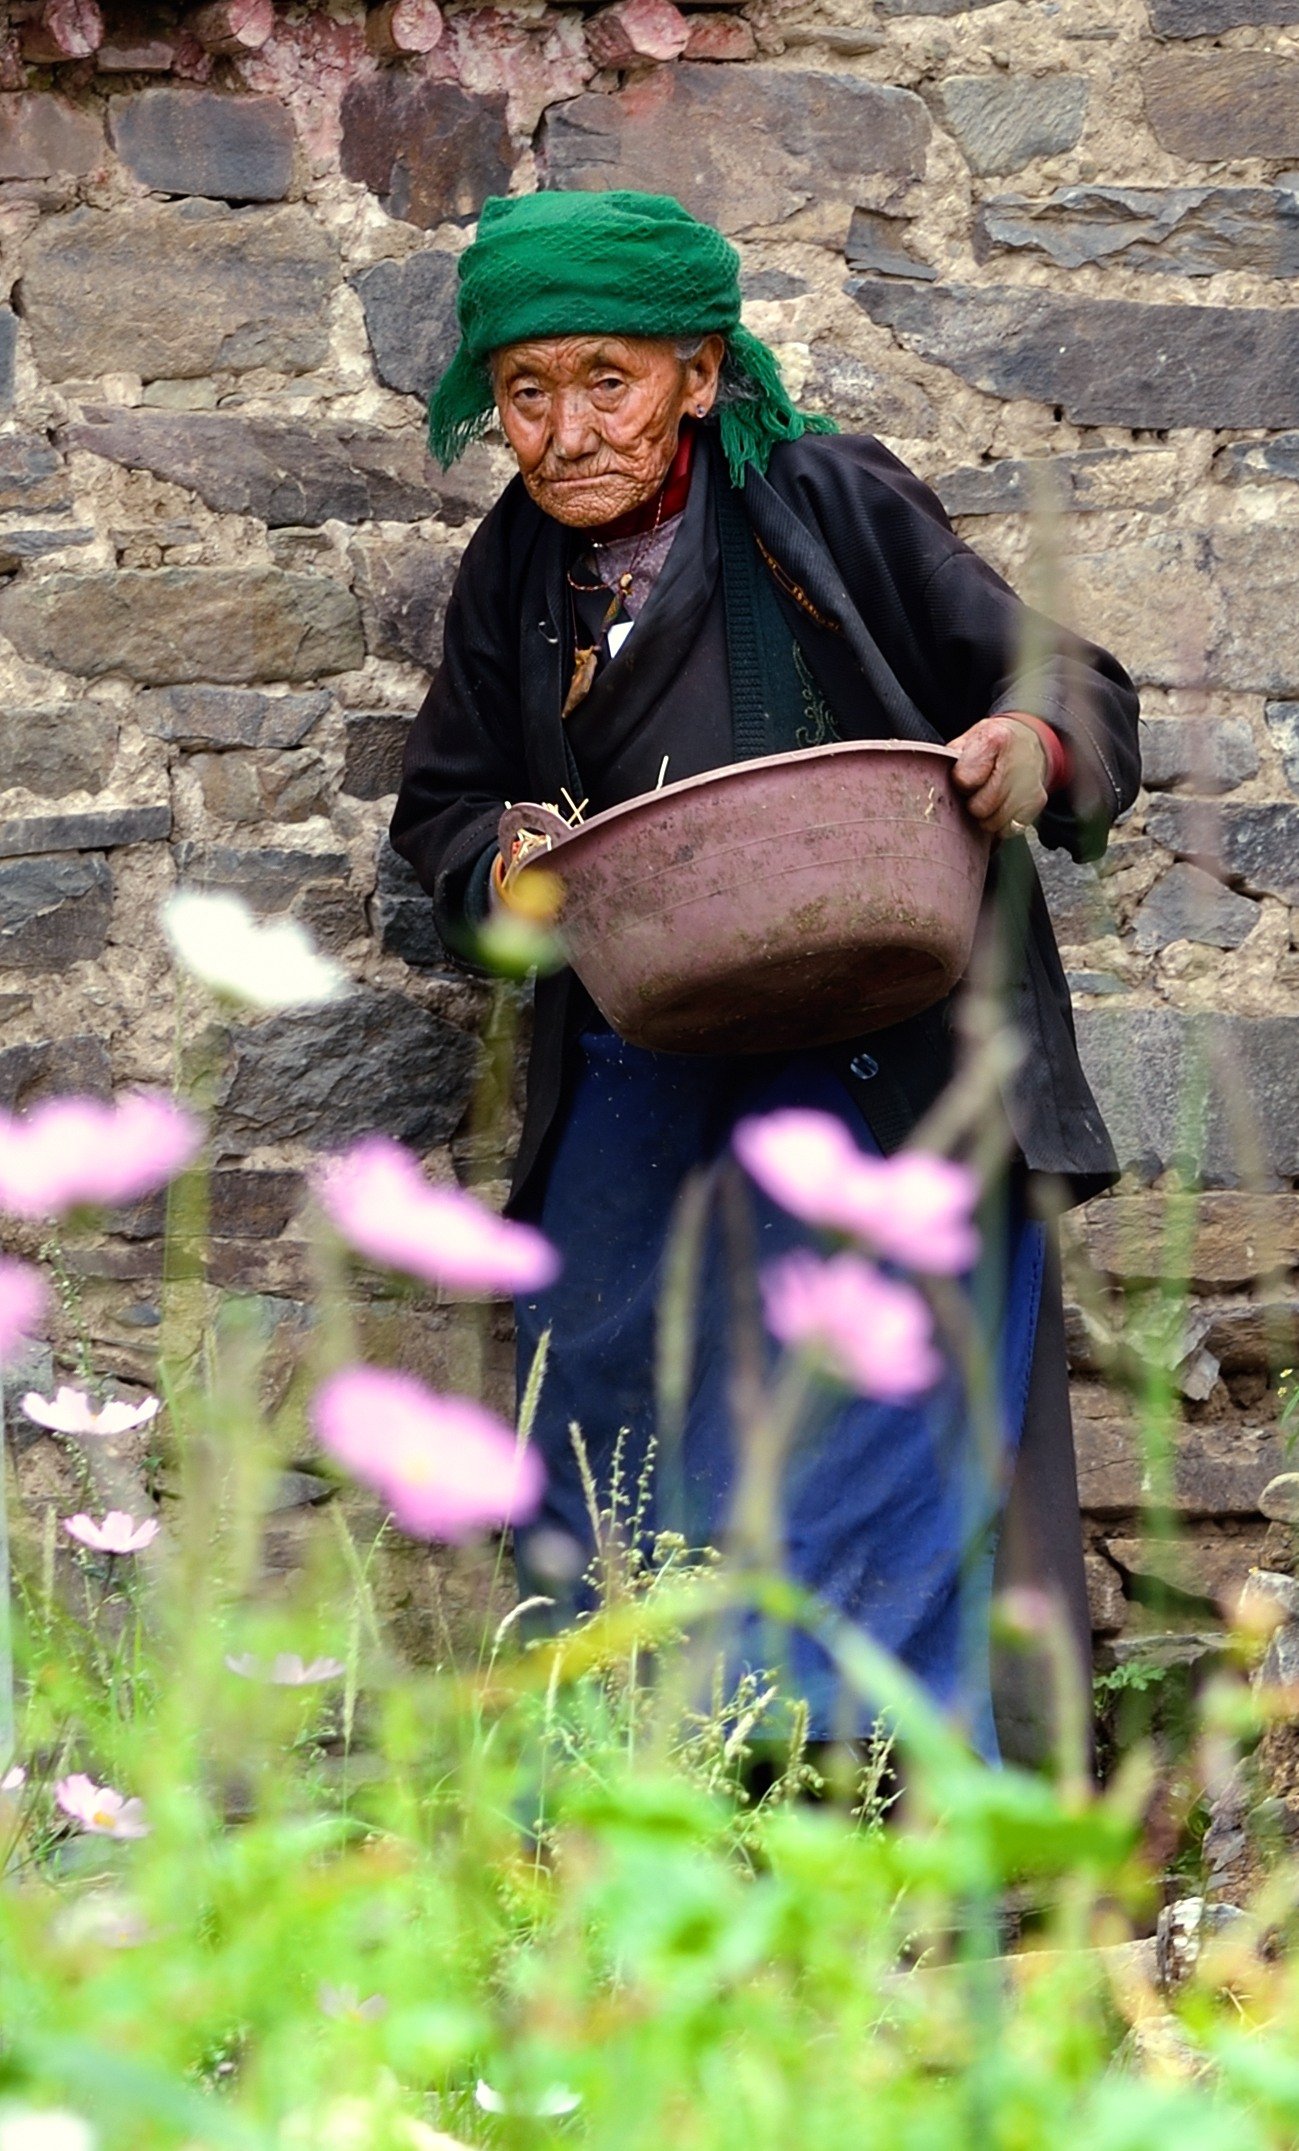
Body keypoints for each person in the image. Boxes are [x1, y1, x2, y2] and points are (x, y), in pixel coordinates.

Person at [391, 189, 1141, 1765]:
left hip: (882, 1038)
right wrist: (502, 864)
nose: (567, 431)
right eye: (527, 392)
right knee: (603, 1407)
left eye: (608, 380)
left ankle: (847, 1796)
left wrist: (1027, 746)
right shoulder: (513, 569)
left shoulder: (825, 501)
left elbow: (1064, 682)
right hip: (642, 1045)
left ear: (701, 375)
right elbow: (444, 805)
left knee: (861, 1409)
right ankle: (621, 1788)